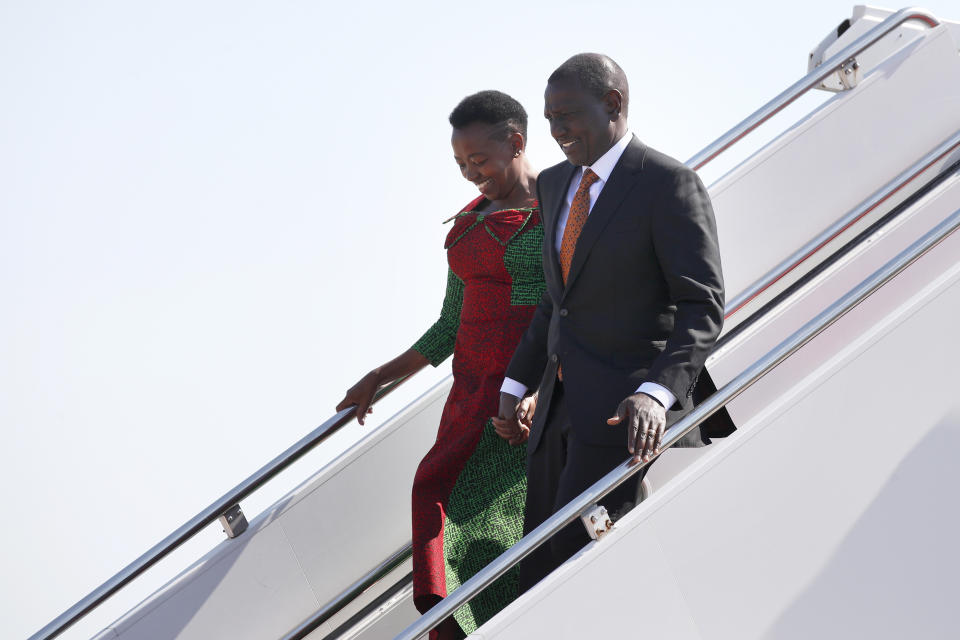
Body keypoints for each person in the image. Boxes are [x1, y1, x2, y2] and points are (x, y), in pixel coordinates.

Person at [493, 53, 735, 593]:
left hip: (625, 415)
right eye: (549, 119)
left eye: (568, 116)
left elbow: (702, 305)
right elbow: (558, 301)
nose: (556, 132)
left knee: (577, 557)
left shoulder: (669, 184)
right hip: (556, 409)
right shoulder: (553, 185)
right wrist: (516, 382)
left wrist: (657, 393)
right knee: (534, 566)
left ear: (613, 104)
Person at [336, 90, 543, 640]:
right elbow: (450, 325)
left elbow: (571, 313)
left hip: (521, 394)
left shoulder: (560, 207)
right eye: (460, 164)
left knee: (494, 518)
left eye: (479, 161)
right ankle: (462, 625)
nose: (471, 175)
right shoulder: (471, 220)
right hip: (468, 396)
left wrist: (537, 395)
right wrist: (381, 376)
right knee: (436, 493)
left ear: (516, 143)